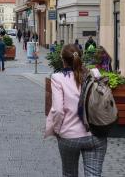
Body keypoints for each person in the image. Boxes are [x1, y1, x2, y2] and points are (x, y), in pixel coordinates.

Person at [45, 44, 107, 177]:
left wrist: (57, 130)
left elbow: (57, 110)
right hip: (96, 134)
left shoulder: (58, 78)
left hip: (69, 135)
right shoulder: (94, 74)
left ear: (63, 59)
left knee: (69, 174)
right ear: (81, 57)